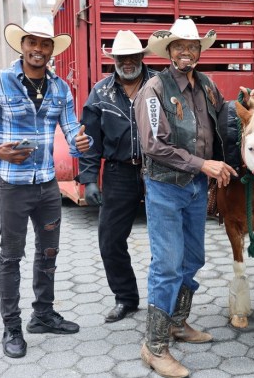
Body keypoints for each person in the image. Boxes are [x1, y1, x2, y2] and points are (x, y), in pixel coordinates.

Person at [0, 17, 91, 359]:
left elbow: (73, 133)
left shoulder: (60, 88)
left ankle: (43, 315)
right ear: (22, 45)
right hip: (12, 185)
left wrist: (81, 143)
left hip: (47, 186)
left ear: (51, 51)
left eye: (45, 44)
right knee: (11, 256)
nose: (38, 49)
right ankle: (12, 327)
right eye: (32, 42)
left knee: (49, 253)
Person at [135, 17, 254, 378]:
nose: (186, 52)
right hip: (165, 187)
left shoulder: (206, 85)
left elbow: (223, 117)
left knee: (193, 257)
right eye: (179, 47)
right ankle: (154, 346)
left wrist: (247, 104)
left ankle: (177, 322)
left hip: (195, 188)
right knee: (168, 264)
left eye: (192, 46)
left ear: (199, 51)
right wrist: (203, 163)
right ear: (169, 51)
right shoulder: (154, 89)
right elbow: (153, 144)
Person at [78, 30, 154, 323]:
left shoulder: (159, 84)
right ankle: (126, 299)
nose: (129, 62)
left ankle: (165, 302)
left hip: (157, 171)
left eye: (134, 56)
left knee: (164, 240)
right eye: (122, 57)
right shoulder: (100, 92)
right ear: (115, 60)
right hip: (118, 173)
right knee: (110, 240)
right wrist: (88, 180)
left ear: (142, 57)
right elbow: (90, 138)